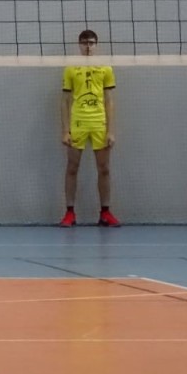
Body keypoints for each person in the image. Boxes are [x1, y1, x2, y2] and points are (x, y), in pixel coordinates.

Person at [60, 29, 120, 227]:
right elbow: (65, 101)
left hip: (99, 123)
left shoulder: (105, 67)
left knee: (104, 169)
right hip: (78, 122)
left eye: (91, 43)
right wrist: (65, 130)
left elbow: (109, 100)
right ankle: (70, 213)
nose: (88, 46)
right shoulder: (71, 68)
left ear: (96, 45)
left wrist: (111, 130)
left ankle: (105, 213)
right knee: (72, 167)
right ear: (79, 45)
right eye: (85, 43)